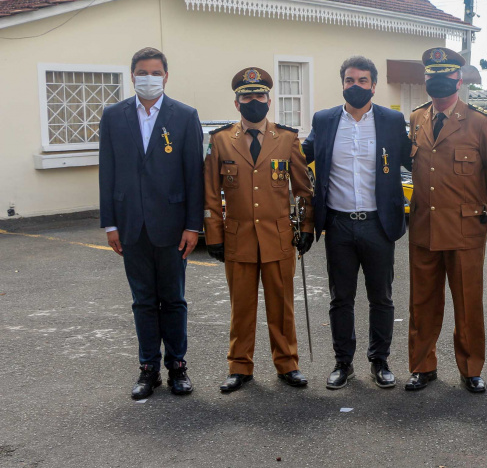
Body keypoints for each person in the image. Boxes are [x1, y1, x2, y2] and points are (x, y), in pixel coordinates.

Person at [99, 47, 203, 400]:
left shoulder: (185, 116)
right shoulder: (114, 116)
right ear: (132, 76)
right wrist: (109, 223)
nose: (149, 78)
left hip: (173, 227)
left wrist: (193, 226)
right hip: (130, 226)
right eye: (142, 72)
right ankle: (148, 369)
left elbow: (194, 176)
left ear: (166, 76)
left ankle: (177, 366)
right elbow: (107, 172)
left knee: (173, 299)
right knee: (143, 300)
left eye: (155, 72)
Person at [302, 56, 412, 390]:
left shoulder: (392, 121)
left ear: (374, 86)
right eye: (350, 80)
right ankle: (343, 363)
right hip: (338, 224)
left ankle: (380, 361)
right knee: (341, 299)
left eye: (363, 81)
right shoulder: (324, 120)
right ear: (343, 84)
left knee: (381, 298)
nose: (356, 86)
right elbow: (298, 157)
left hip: (379, 224)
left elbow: (418, 159)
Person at [203, 67, 315, 393]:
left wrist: (306, 227)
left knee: (282, 305)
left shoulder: (287, 139)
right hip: (237, 237)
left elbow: (304, 189)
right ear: (237, 103)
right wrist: (213, 234)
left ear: (269, 100)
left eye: (260, 96)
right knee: (242, 307)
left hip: (279, 236)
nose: (254, 101)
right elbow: (210, 192)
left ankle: (288, 364)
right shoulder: (221, 141)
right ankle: (239, 367)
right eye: (247, 96)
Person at [405, 47, 487, 393]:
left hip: (465, 227)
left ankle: (471, 368)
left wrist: (468, 204)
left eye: (446, 75)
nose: (439, 82)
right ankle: (422, 366)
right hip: (423, 226)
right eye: (432, 76)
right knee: (422, 302)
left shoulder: (480, 122)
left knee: (468, 302)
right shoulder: (417, 118)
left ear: (458, 80)